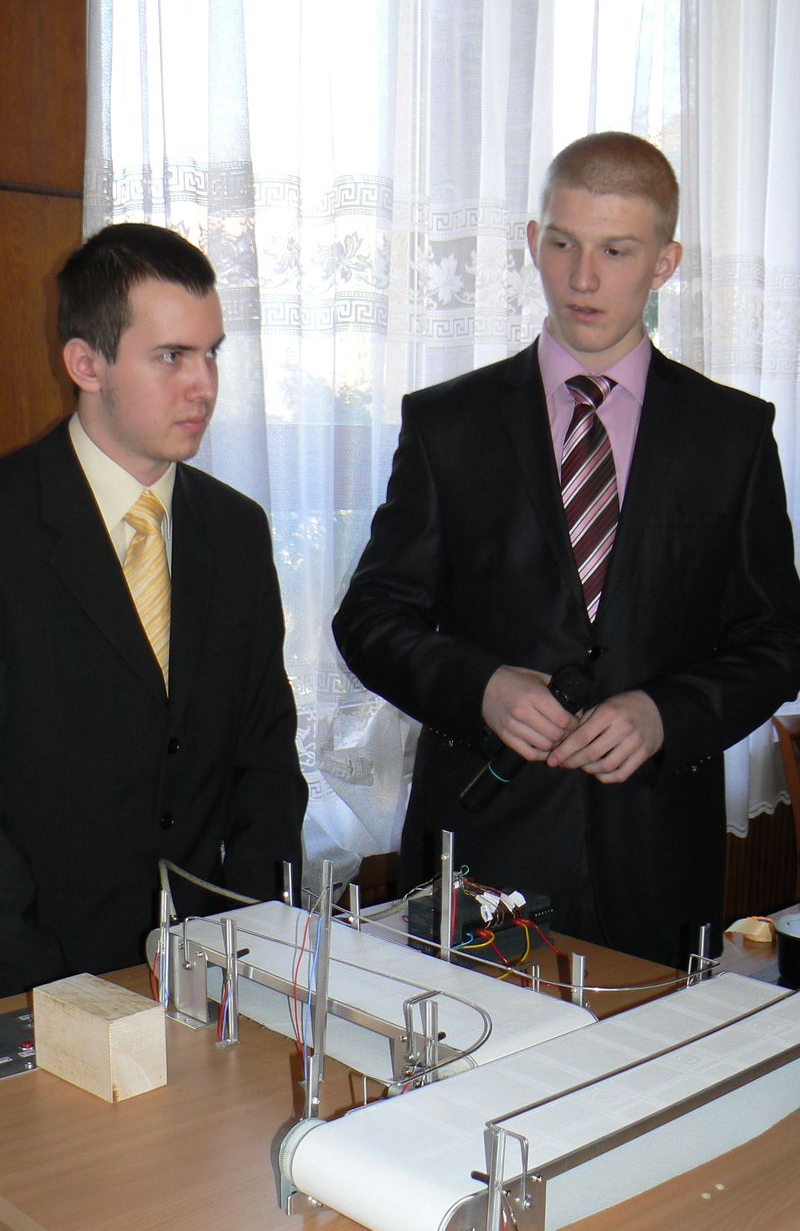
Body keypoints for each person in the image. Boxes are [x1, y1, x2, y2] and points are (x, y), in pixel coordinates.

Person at [333, 132, 800, 969]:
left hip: (658, 861)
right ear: (531, 241)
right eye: (562, 244)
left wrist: (666, 714)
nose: (582, 279)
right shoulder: (447, 424)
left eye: (616, 251)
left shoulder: (732, 435)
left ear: (665, 263)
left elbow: (776, 643)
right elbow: (370, 619)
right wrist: (481, 687)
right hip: (478, 851)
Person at [0, 223, 306, 995]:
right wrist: (42, 986)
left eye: (212, 353)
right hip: (31, 978)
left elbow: (266, 757)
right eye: (172, 356)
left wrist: (254, 942)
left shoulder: (235, 530)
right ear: (85, 363)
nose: (204, 385)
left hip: (210, 974)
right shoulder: (8, 521)